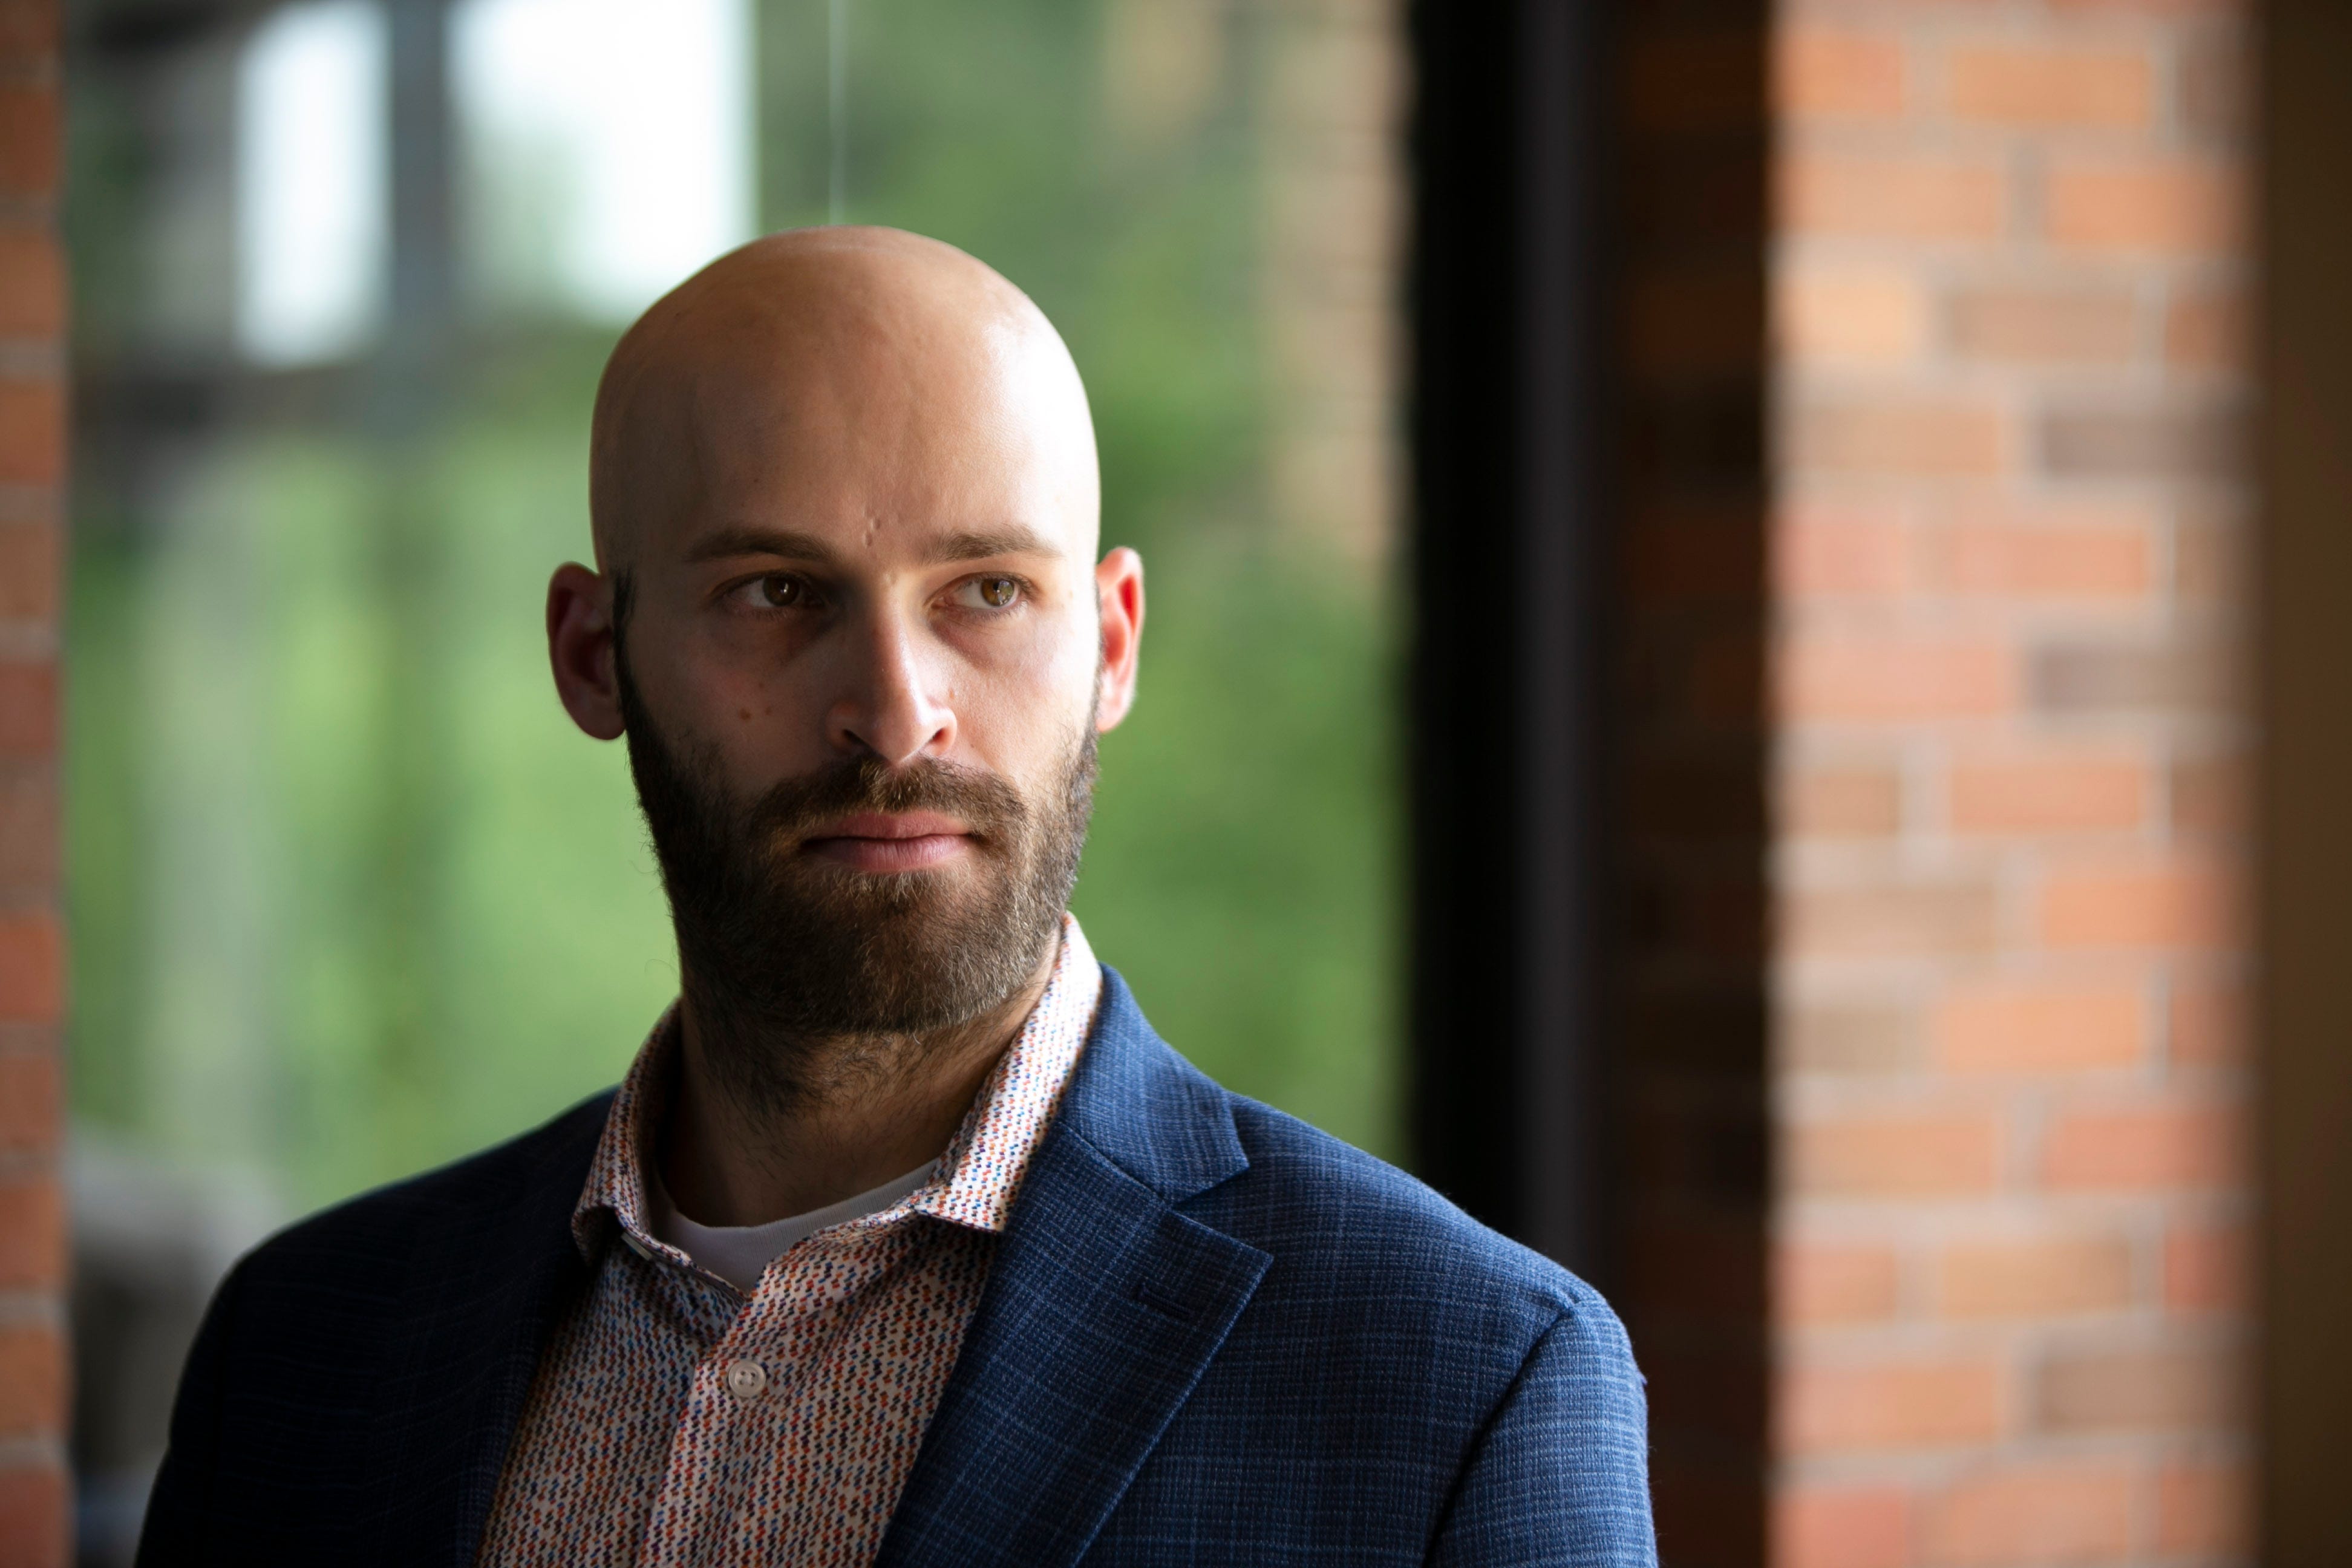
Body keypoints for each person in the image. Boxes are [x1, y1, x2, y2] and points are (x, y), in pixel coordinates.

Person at [136, 227, 1656, 1567]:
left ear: (1112, 644)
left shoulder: (1461, 1387)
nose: (894, 707)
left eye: (987, 589)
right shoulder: (303, 1348)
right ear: (595, 654)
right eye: (775, 595)